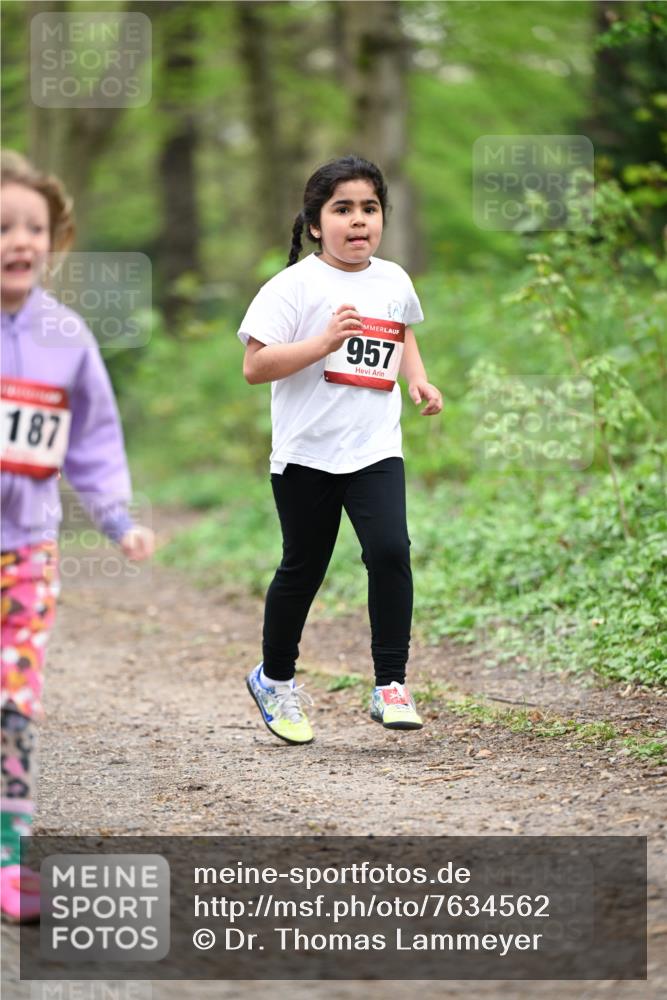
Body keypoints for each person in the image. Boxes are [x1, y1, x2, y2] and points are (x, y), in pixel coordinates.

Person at [238, 155, 442, 746]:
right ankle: (274, 679)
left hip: (375, 448)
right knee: (304, 568)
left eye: (370, 209)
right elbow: (255, 366)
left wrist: (417, 379)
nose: (359, 221)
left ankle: (391, 685)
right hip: (306, 453)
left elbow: (401, 330)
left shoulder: (393, 279)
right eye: (343, 209)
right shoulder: (293, 285)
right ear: (314, 222)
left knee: (390, 551)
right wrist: (323, 340)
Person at [0, 150, 154, 921]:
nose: (19, 240)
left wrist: (118, 519)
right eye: (1, 227)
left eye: (33, 227)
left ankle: (8, 849)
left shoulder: (66, 336)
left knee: (15, 701)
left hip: (28, 552)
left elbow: (91, 441)